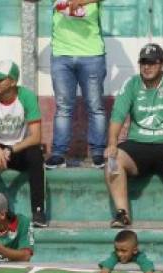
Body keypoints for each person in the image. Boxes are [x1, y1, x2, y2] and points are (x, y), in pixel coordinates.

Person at [105, 43, 163, 230]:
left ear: (162, 64)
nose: (147, 67)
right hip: (138, 144)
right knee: (112, 161)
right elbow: (118, 115)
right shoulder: (131, 83)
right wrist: (112, 143)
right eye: (143, 63)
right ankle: (122, 213)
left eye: (153, 63)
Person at [0, 60, 47, 229]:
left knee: (36, 154)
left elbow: (36, 137)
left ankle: (39, 211)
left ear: (12, 81)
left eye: (0, 80)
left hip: (19, 148)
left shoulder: (27, 97)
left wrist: (11, 149)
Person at [45, 0, 108, 170]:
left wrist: (77, 2)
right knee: (63, 107)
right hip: (61, 55)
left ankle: (98, 153)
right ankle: (58, 154)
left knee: (95, 106)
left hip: (92, 55)